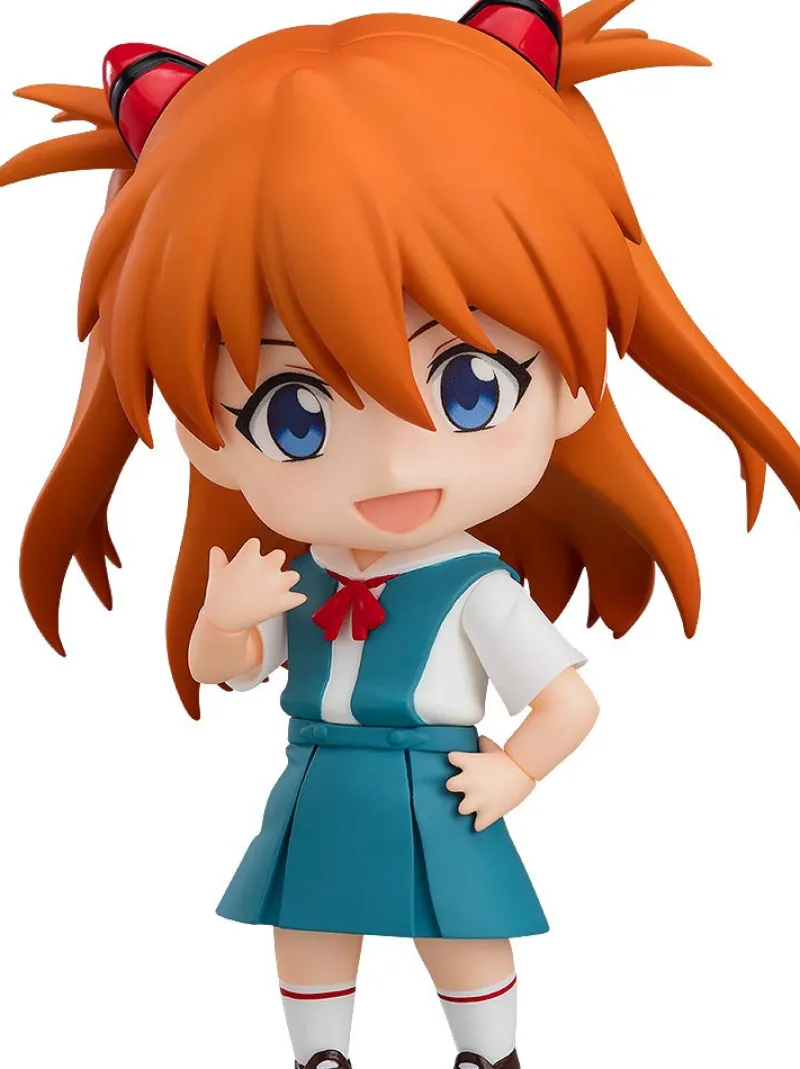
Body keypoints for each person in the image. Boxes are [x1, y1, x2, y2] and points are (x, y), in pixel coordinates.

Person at [3, 2, 799, 1066]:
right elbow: (230, 666)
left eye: (470, 387)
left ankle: (487, 1052)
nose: (391, 465)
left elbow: (568, 702)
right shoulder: (291, 570)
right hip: (319, 773)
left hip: (438, 782)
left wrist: (514, 771)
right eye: (294, 414)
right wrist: (226, 622)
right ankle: (319, 1054)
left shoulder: (477, 587)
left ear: (573, 386)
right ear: (207, 441)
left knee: (458, 933)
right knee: (305, 924)